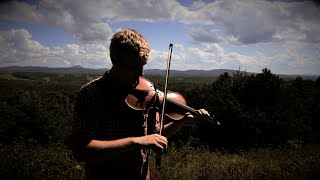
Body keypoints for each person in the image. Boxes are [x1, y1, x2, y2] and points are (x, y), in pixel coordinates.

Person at [71, 29, 211, 179]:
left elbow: (155, 135)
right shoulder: (90, 95)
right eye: (134, 67)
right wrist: (136, 142)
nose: (140, 74)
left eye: (142, 66)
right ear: (116, 60)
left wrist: (181, 121)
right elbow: (81, 151)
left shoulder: (145, 92)